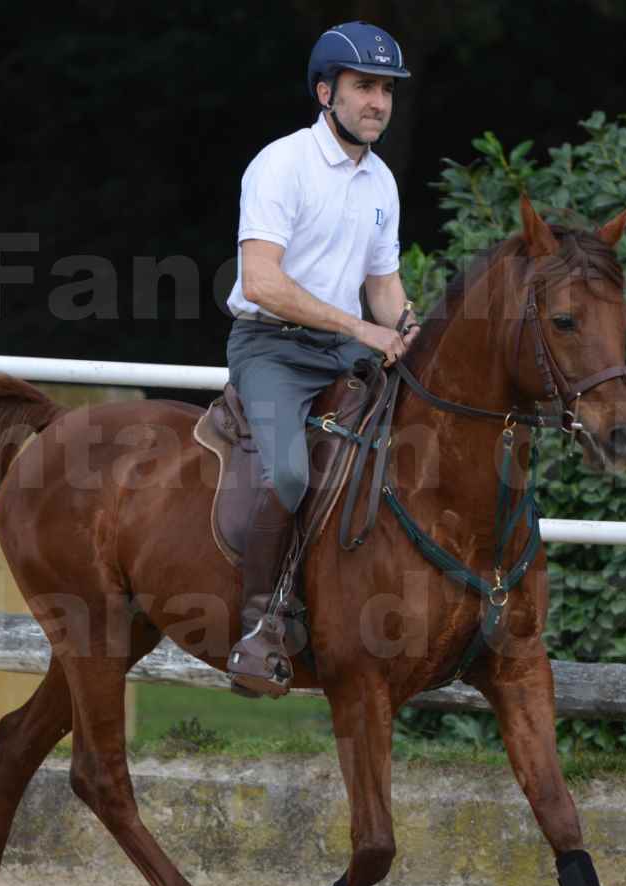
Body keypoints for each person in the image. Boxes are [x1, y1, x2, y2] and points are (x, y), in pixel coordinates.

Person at [223, 20, 421, 698]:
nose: (377, 102)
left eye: (386, 90)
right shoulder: (281, 164)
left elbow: (384, 285)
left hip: (340, 348)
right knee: (285, 472)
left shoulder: (381, 182)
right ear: (324, 91)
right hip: (271, 346)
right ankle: (260, 627)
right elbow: (261, 282)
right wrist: (362, 330)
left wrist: (408, 330)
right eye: (363, 86)